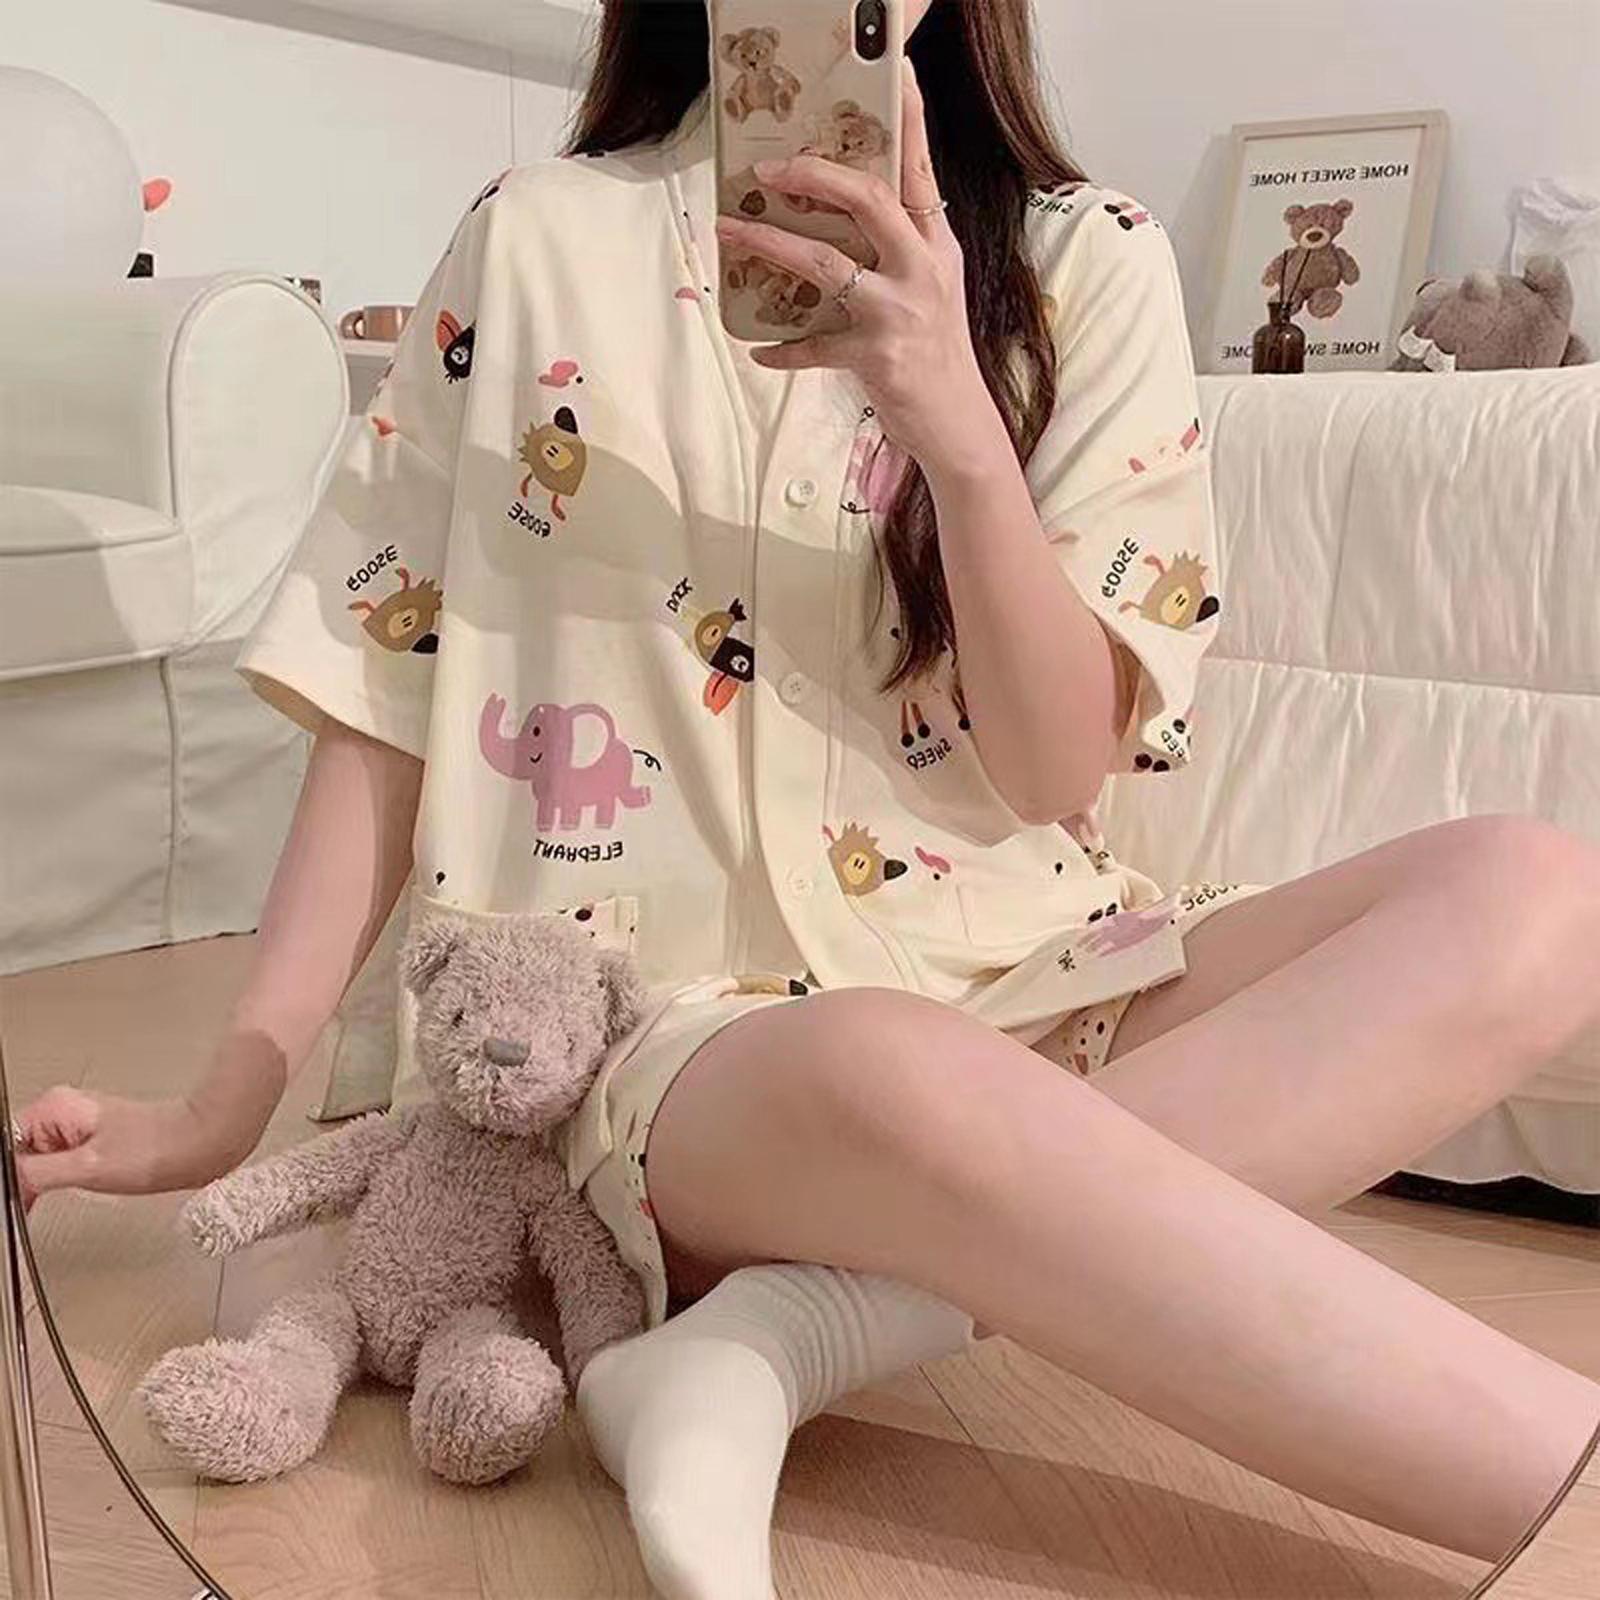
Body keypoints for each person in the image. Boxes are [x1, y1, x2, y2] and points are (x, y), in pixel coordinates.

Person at [17, 3, 1600, 1597]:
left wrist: (960, 433)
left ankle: (798, 1333)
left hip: (1031, 977)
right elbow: (382, 692)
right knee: (886, 1062)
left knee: (1536, 895)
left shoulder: (1093, 258)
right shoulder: (535, 238)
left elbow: (1057, 771)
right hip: (668, 1049)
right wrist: (226, 1099)